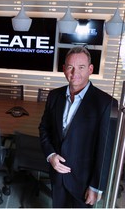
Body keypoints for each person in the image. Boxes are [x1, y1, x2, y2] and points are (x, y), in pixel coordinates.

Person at [39, 46, 118, 208]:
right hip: (57, 175)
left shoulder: (106, 104)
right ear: (63, 69)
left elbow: (106, 150)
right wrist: (51, 155)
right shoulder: (54, 96)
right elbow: (44, 128)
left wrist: (96, 186)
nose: (75, 73)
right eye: (70, 67)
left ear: (90, 69)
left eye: (81, 67)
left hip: (84, 181)